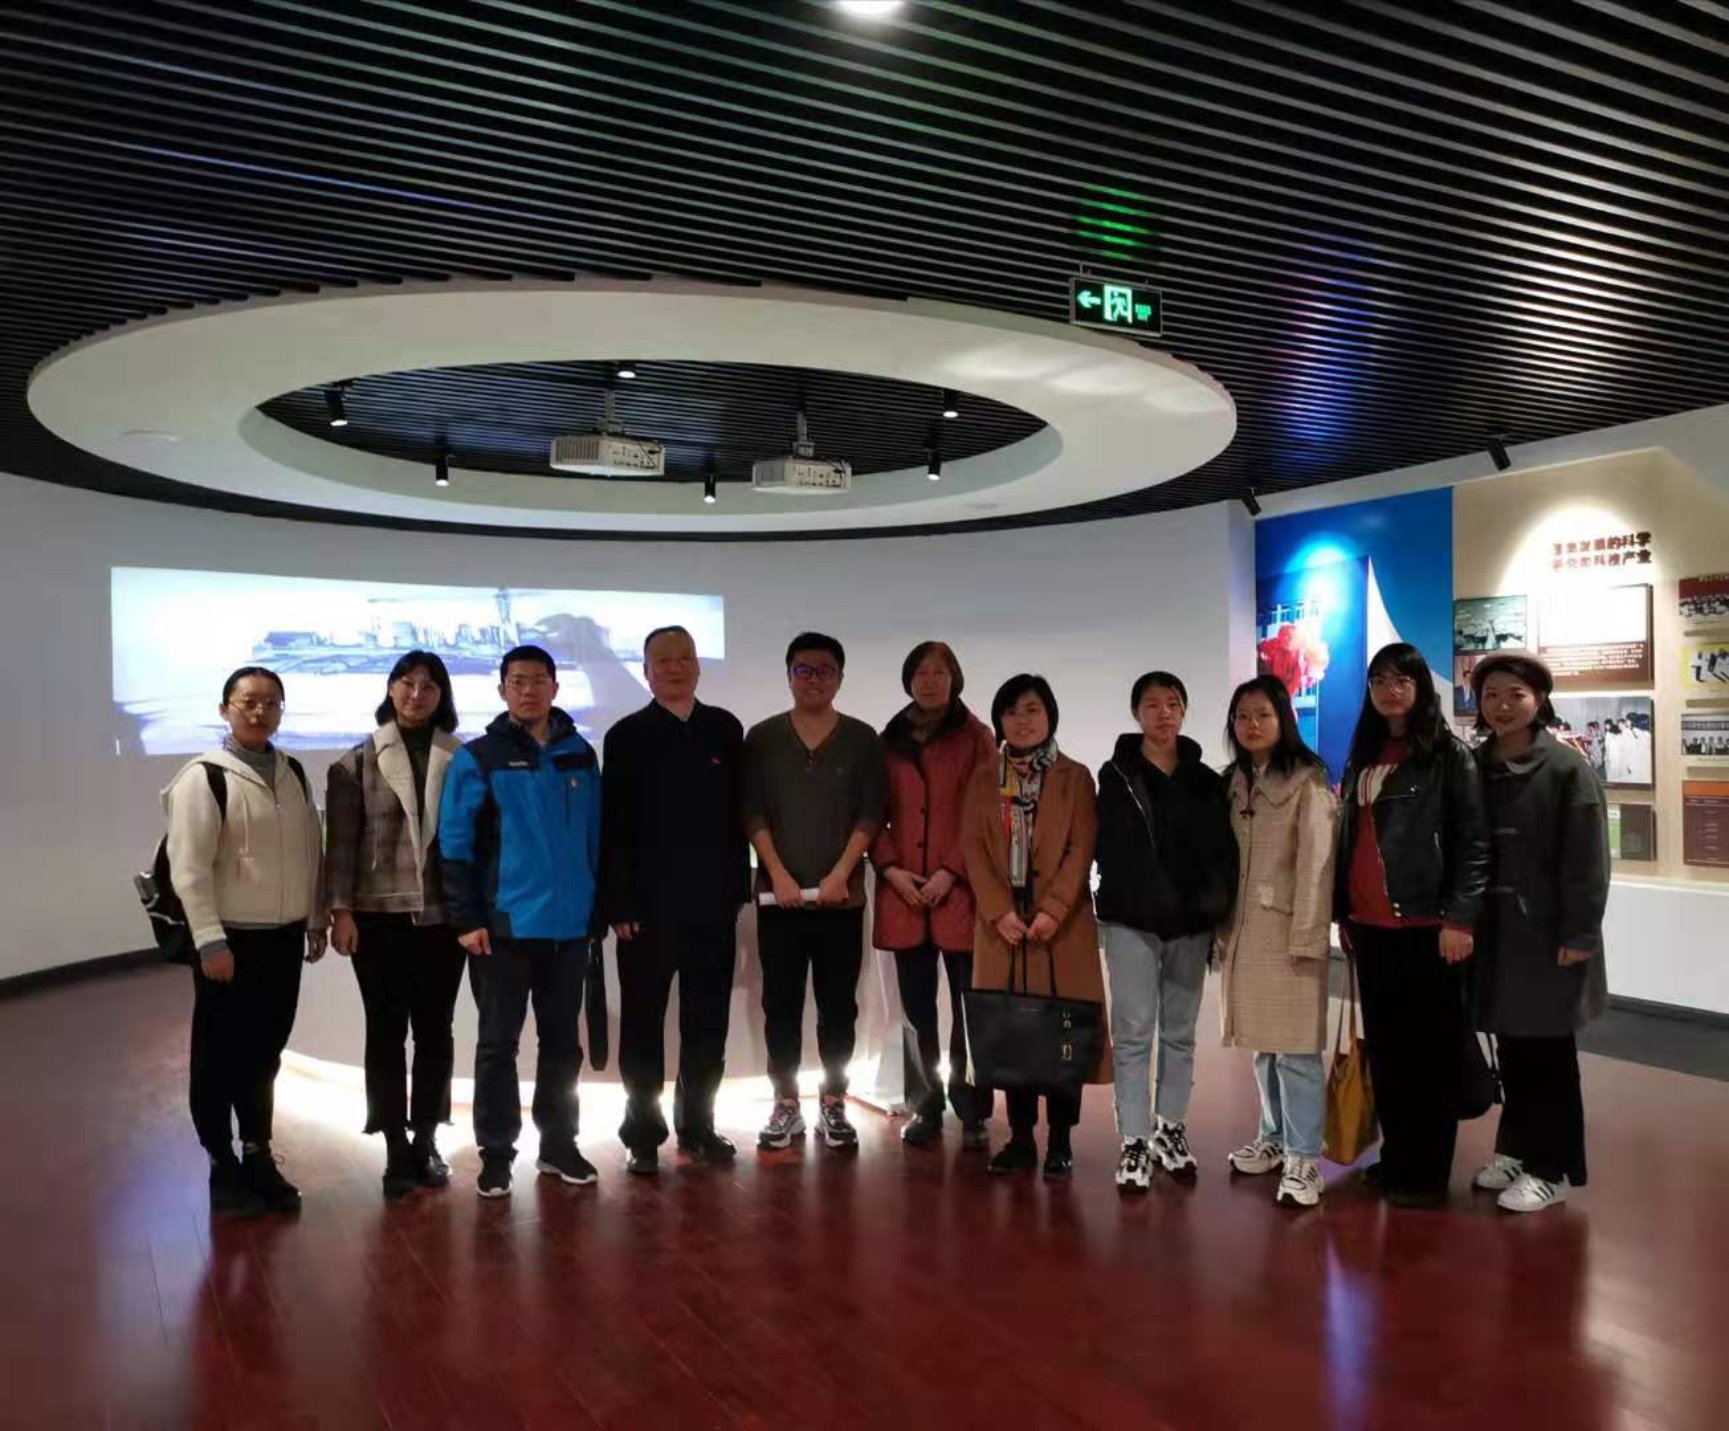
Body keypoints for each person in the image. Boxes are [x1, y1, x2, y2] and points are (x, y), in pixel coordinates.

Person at [439, 644, 603, 1199]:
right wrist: (466, 918)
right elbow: (455, 845)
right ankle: (496, 1154)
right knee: (497, 1047)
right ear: (502, 690)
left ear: (555, 687)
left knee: (562, 1046)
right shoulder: (479, 757)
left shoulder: (580, 754)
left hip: (569, 929)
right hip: (503, 929)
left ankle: (558, 1145)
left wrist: (595, 908)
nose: (528, 690)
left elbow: (595, 838)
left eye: (538, 680)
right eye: (517, 681)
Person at [164, 666, 327, 1217]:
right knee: (218, 1055)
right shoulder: (204, 777)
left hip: (282, 939)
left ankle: (257, 1151)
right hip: (229, 942)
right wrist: (209, 941)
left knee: (265, 1053)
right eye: (248, 701)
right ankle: (221, 1161)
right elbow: (189, 870)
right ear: (225, 709)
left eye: (271, 702)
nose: (260, 712)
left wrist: (314, 919)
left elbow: (310, 850)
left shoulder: (293, 771)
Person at [1336, 642, 1488, 1209]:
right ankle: (1398, 1157)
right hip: (1371, 926)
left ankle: (1426, 1174)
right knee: (1389, 1053)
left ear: (1422, 687)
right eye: (1379, 681)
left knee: (1431, 1057)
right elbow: (1351, 840)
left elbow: (1473, 844)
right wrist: (1343, 912)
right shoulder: (1364, 754)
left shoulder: (1449, 756)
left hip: (1427, 927)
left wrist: (1459, 917)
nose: (1390, 690)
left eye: (1402, 680)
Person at [600, 625, 748, 1175]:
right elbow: (612, 827)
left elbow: (737, 817)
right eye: (663, 660)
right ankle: (642, 1135)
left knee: (707, 1024)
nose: (675, 667)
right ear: (646, 671)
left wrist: (736, 892)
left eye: (685, 657)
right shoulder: (625, 736)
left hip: (713, 909)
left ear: (699, 667)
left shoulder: (725, 729)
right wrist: (619, 905)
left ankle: (699, 1126)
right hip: (646, 913)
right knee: (642, 1027)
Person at [324, 651, 467, 1199]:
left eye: (428, 686)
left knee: (435, 1031)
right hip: (377, 920)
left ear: (441, 695)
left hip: (442, 919)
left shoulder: (461, 758)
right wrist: (340, 912)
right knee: (385, 1032)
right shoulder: (356, 762)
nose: (416, 694)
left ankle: (426, 1137)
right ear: (390, 689)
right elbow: (340, 846)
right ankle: (393, 1146)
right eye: (406, 683)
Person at [1470, 654, 1610, 1213]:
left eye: (1516, 694)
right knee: (1512, 1047)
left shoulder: (1567, 768)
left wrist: (1580, 934)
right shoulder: (1476, 764)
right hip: (1497, 936)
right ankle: (1515, 1149)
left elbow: (1588, 862)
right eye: (1491, 695)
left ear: (1539, 700)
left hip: (1549, 937)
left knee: (1549, 1055)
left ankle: (1553, 1168)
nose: (1502, 706)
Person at [744, 632, 888, 1151]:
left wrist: (842, 873)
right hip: (778, 900)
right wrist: (777, 874)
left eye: (825, 670)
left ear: (840, 679)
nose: (814, 679)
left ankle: (833, 1102)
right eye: (803, 669)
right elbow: (752, 811)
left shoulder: (862, 738)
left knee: (838, 1008)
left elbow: (872, 812)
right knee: (780, 1005)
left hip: (840, 901)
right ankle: (785, 1103)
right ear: (788, 676)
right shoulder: (762, 737)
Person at [1094, 671, 1237, 1192]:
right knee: (1133, 1032)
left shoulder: (1204, 780)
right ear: (1137, 713)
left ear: (1184, 711)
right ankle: (1134, 1138)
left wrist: (1212, 909)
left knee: (1179, 1034)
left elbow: (1222, 852)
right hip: (1131, 923)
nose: (1163, 713)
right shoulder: (1115, 774)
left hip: (1189, 926)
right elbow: (1106, 846)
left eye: (1173, 703)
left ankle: (1170, 1129)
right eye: (1152, 704)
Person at [964, 674, 1108, 1182]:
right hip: (1001, 928)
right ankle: (1021, 1138)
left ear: (1050, 716)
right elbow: (973, 849)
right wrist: (999, 910)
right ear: (999, 720)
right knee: (1013, 1033)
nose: (1022, 720)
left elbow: (1080, 848)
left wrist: (1053, 909)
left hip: (1060, 928)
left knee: (1063, 1033)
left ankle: (1061, 1141)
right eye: (1011, 711)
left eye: (1032, 709)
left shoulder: (1075, 777)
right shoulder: (984, 778)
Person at [1217, 675, 1337, 1209]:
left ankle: (1304, 1157)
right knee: (1263, 1045)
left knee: (1297, 1050)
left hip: (1288, 933)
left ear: (1283, 719)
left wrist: (1308, 936)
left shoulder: (1307, 783)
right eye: (1243, 716)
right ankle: (1273, 1136)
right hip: (1245, 932)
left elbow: (1318, 866)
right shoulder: (1235, 781)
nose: (1252, 725)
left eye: (1263, 714)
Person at [871, 640, 996, 1148]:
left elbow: (986, 812)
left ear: (955, 679)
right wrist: (890, 869)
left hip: (959, 892)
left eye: (939, 672)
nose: (929, 681)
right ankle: (925, 1104)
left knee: (969, 1009)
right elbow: (871, 814)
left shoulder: (977, 737)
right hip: (904, 893)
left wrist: (951, 870)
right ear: (908, 680)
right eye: (921, 672)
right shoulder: (888, 739)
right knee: (915, 1010)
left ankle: (973, 1110)